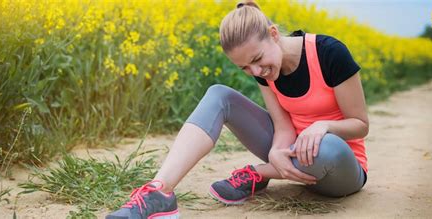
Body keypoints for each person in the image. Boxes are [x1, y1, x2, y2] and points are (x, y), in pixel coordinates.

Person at [106, 1, 368, 218]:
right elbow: (284, 124)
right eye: (245, 68)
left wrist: (322, 126)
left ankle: (260, 172)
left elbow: (360, 123)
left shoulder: (330, 53)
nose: (256, 72)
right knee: (219, 94)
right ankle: (159, 192)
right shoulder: (264, 71)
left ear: (274, 34)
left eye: (256, 59)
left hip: (340, 167)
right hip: (292, 152)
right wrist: (277, 150)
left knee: (326, 147)